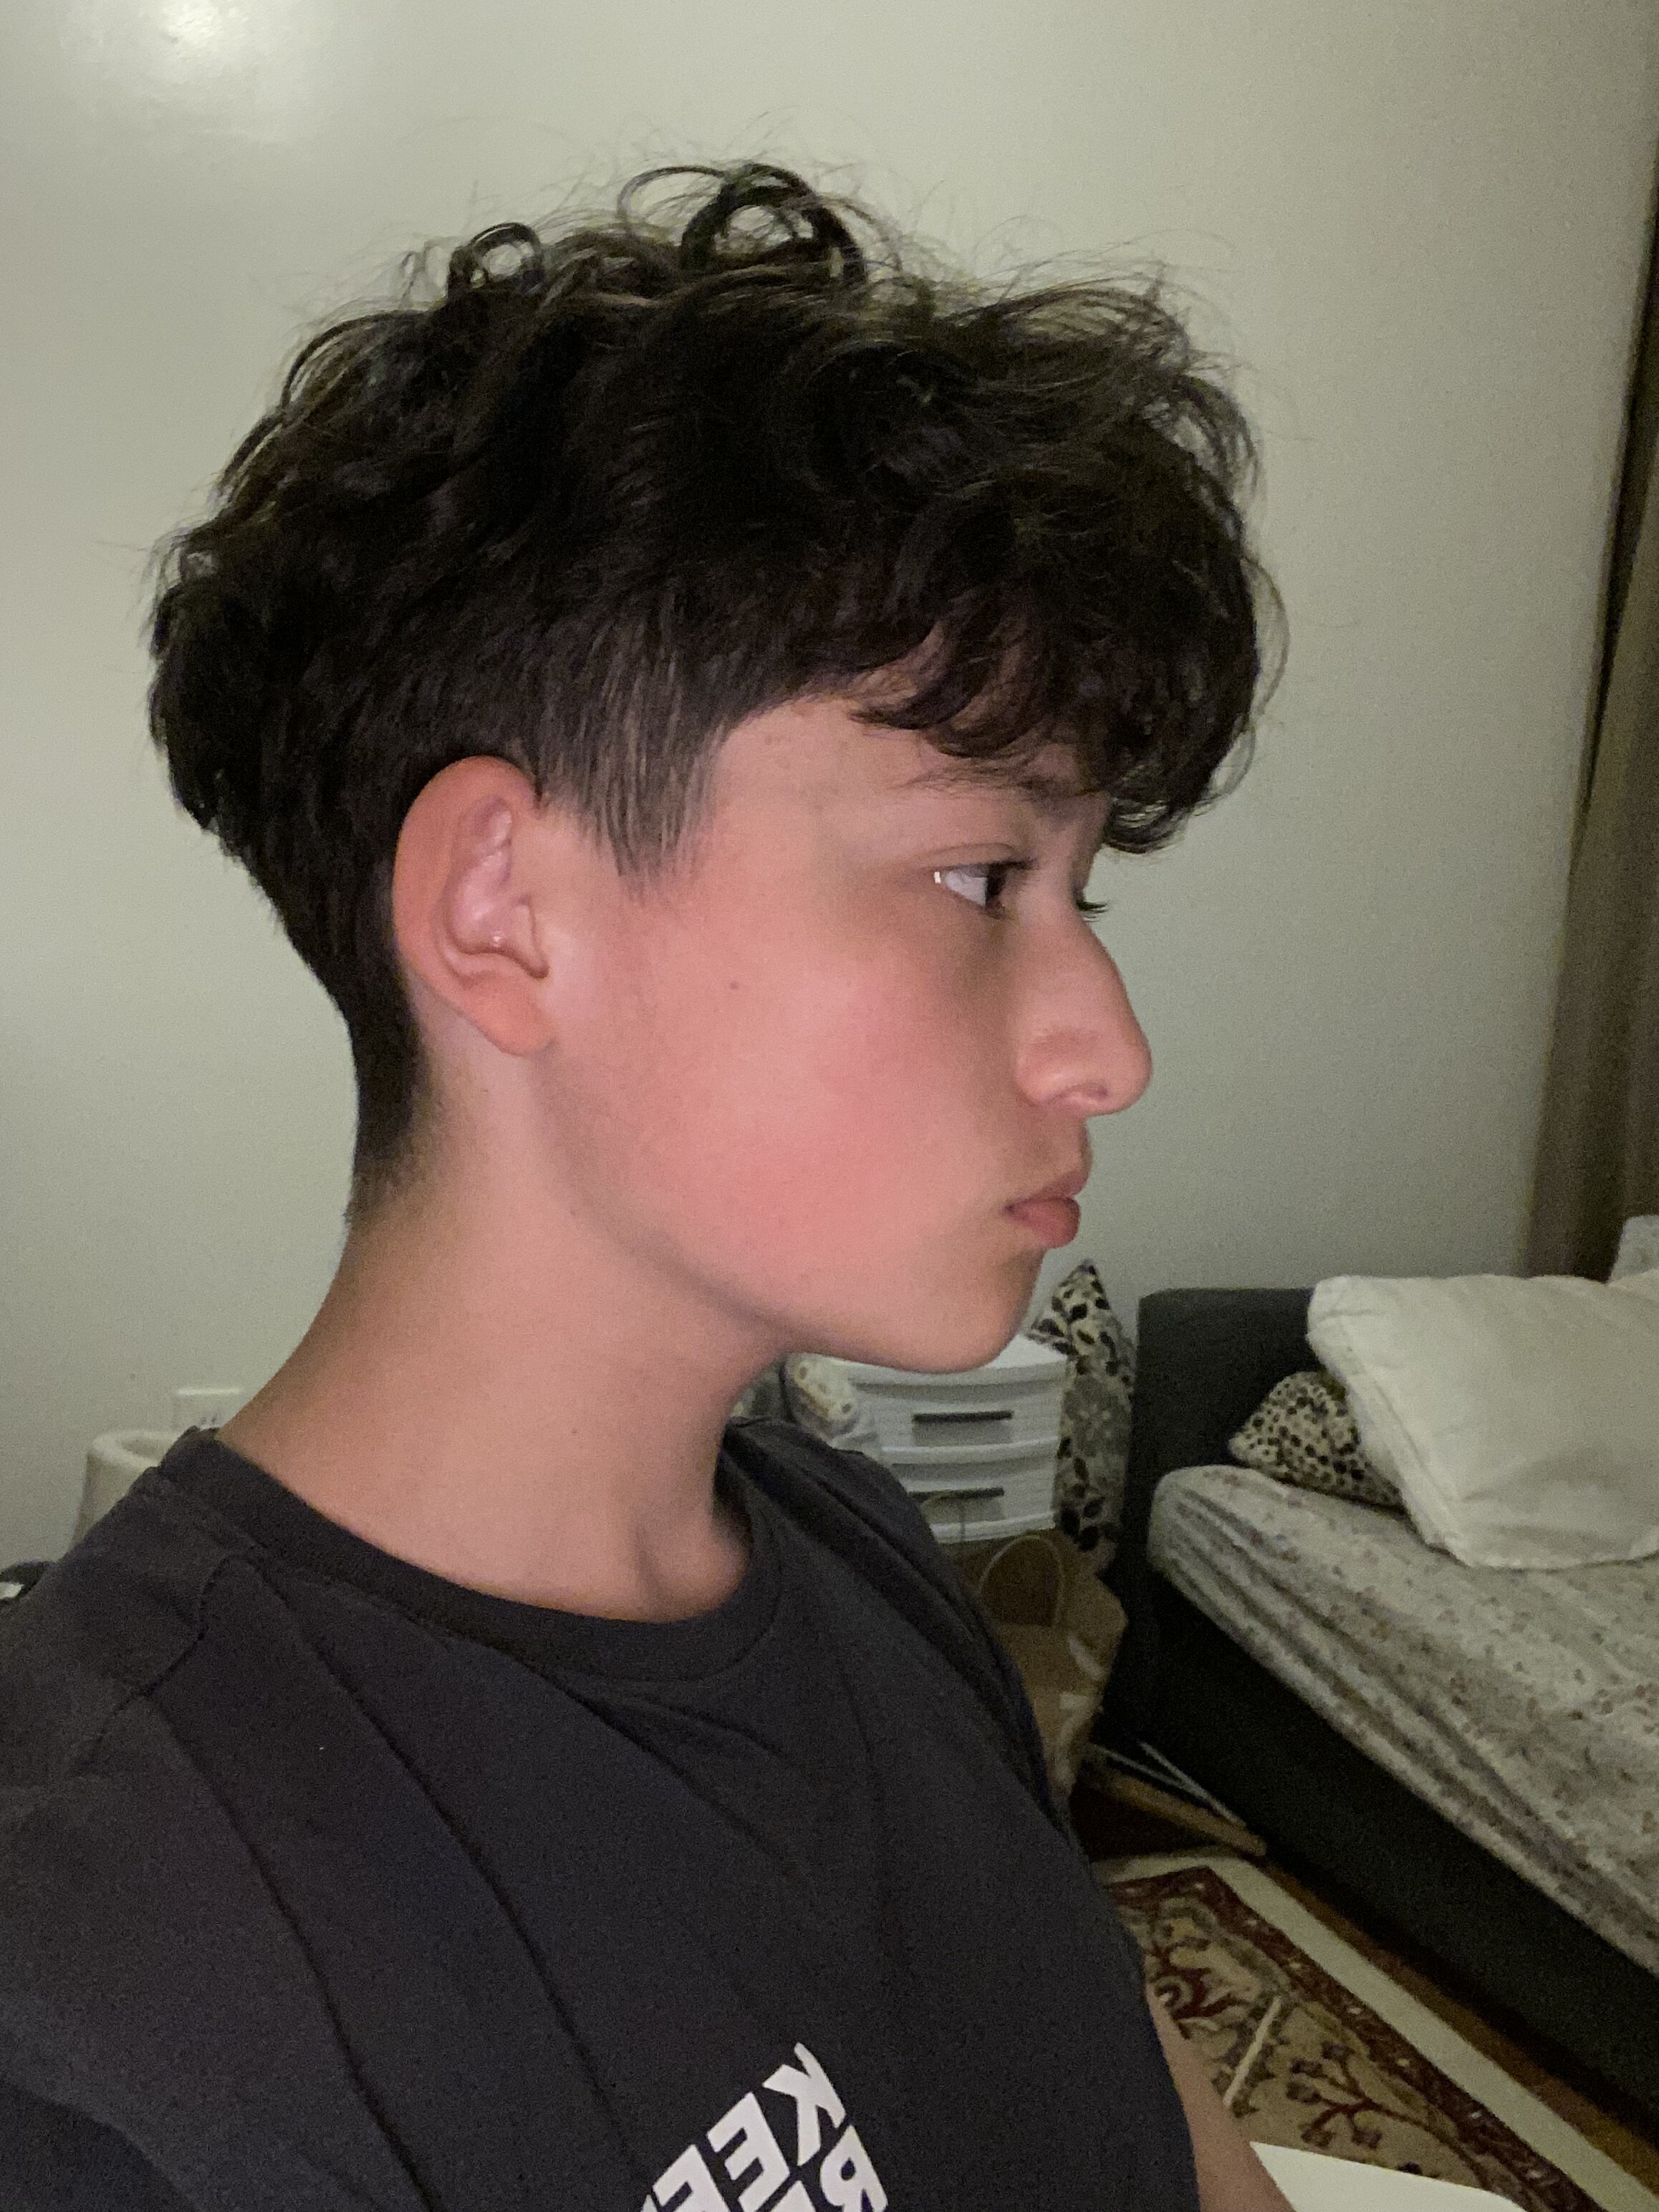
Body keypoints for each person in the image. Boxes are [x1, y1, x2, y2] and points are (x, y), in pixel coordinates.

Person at [0, 160, 1289, 2209]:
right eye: (980, 876)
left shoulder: (851, 1542)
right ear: (506, 912)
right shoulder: (116, 1986)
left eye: (1083, 891)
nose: (1104, 1045)